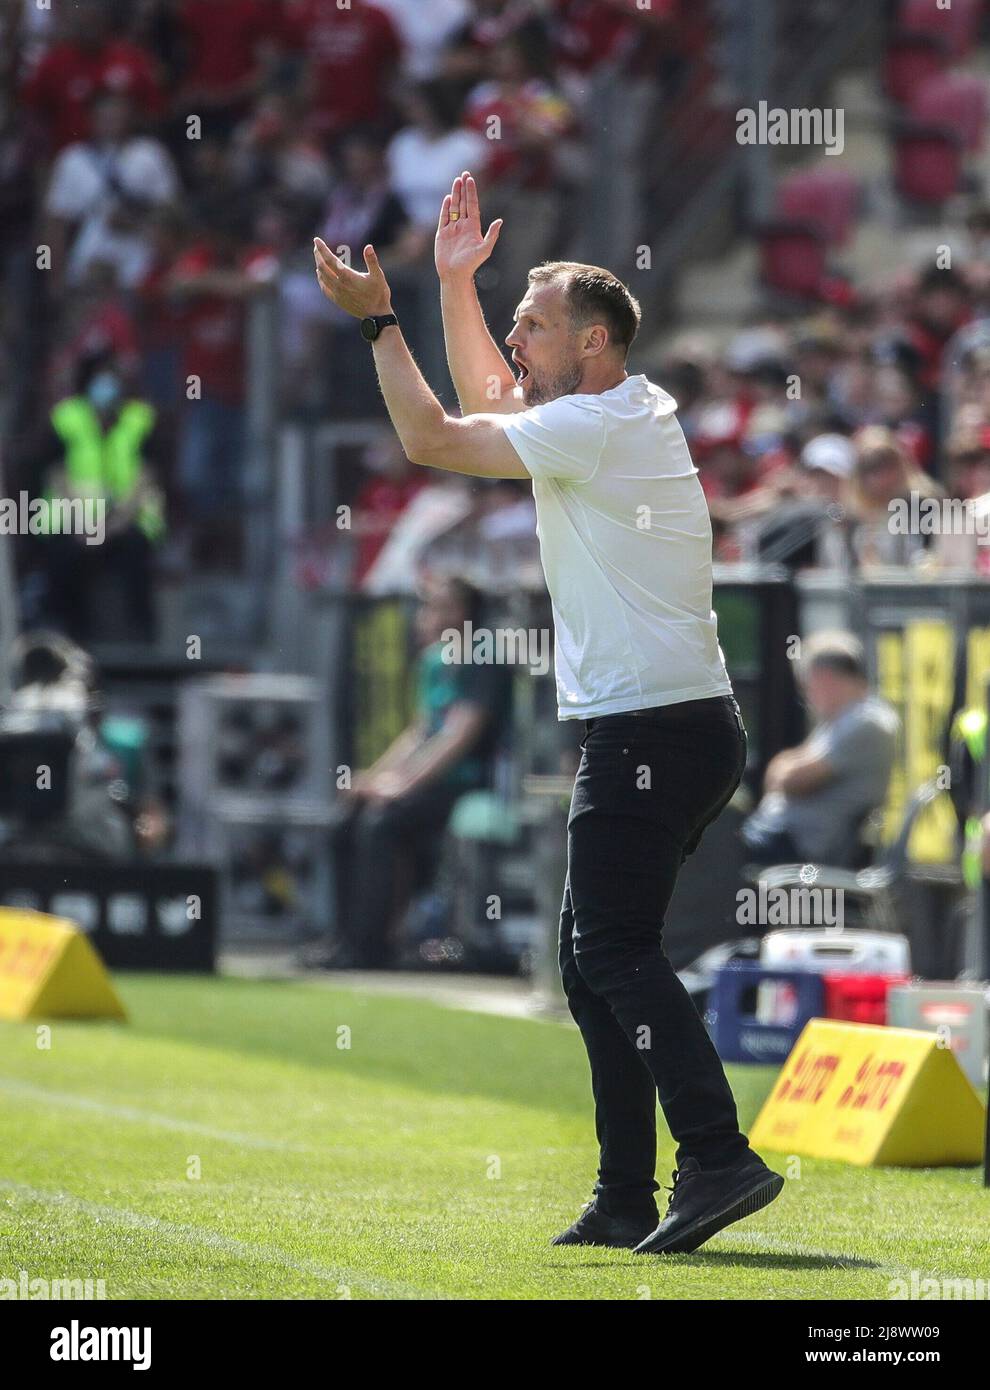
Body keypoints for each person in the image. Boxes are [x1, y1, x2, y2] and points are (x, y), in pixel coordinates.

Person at [312, 169, 783, 1256]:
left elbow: (438, 434)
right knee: (593, 957)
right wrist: (455, 284)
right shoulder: (609, 410)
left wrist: (381, 319)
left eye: (535, 323)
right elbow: (485, 392)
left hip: (653, 730)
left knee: (613, 950)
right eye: (517, 322)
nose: (518, 339)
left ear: (594, 345)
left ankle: (716, 1157)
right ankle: (626, 1192)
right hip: (674, 723)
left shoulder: (600, 422)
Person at [324, 574, 508, 968]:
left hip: (463, 784)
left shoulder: (483, 655)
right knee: (345, 820)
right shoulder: (433, 662)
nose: (425, 616)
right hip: (423, 783)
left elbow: (458, 737)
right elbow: (420, 732)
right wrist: (376, 778)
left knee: (382, 824)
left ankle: (373, 948)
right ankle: (345, 939)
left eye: (437, 606)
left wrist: (401, 786)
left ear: (462, 612)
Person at [741, 632, 899, 868]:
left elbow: (792, 779)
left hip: (801, 847)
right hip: (780, 837)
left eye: (807, 685)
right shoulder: (839, 721)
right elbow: (781, 768)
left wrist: (787, 771)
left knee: (709, 851)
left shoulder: (866, 722)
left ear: (824, 678)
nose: (807, 696)